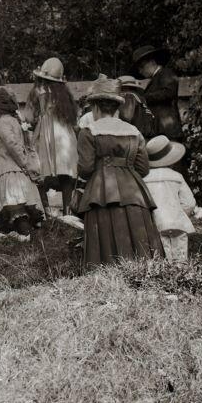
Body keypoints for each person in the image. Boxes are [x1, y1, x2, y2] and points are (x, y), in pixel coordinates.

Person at [74, 80, 164, 265]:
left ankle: (108, 269)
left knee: (104, 236)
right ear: (117, 108)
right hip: (134, 192)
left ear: (96, 107)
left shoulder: (88, 131)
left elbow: (86, 168)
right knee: (141, 240)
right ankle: (144, 268)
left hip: (101, 192)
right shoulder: (134, 131)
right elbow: (143, 168)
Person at [0, 85, 44, 238]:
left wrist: (24, 163)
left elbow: (12, 145)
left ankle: (25, 233)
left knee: (14, 206)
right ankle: (21, 232)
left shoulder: (2, 123)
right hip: (15, 170)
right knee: (16, 207)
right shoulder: (15, 121)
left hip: (8, 170)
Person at [29, 57, 80, 216]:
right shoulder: (65, 95)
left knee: (41, 172)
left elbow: (30, 117)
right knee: (66, 174)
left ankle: (46, 212)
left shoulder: (38, 92)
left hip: (46, 135)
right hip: (65, 135)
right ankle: (67, 213)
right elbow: (74, 118)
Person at [143, 135, 198, 261]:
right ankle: (181, 275)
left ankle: (165, 276)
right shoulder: (177, 176)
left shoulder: (144, 179)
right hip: (178, 222)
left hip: (156, 223)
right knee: (181, 257)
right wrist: (178, 213)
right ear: (171, 160)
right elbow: (189, 202)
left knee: (161, 256)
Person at [133, 45, 183, 155]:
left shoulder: (166, 73)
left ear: (151, 62)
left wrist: (143, 98)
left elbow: (168, 93)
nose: (141, 71)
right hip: (161, 130)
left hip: (169, 130)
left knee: (173, 160)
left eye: (142, 66)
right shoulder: (156, 78)